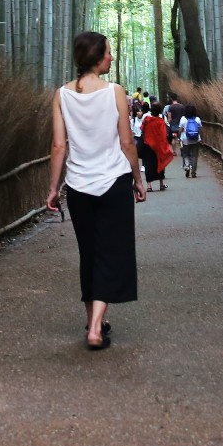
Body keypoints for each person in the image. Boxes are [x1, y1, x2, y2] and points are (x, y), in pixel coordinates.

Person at [44, 31, 146, 350]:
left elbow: (59, 145)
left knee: (89, 253)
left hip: (77, 185)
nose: (111, 58)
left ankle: (94, 321)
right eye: (109, 53)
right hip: (113, 181)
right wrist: (138, 178)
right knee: (111, 252)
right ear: (97, 56)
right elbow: (127, 141)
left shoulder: (61, 94)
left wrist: (53, 187)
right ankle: (94, 330)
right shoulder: (114, 91)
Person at [139, 105, 174, 192]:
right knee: (160, 163)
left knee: (148, 165)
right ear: (159, 111)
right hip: (158, 146)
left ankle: (149, 185)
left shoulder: (147, 120)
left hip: (147, 145)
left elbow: (142, 130)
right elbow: (163, 134)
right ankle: (161, 184)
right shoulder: (161, 121)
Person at [181, 110, 203, 178]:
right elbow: (200, 130)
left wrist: (180, 137)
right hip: (195, 139)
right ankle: (193, 172)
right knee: (194, 156)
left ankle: (187, 166)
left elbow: (180, 129)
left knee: (185, 154)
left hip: (186, 140)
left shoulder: (183, 119)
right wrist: (202, 138)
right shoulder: (197, 119)